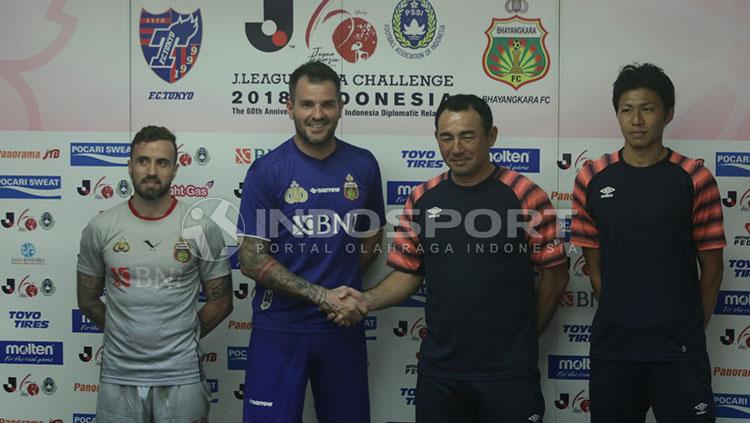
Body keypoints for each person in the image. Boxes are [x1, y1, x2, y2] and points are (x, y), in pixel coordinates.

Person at [335, 94, 569, 423]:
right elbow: (408, 273)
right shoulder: (421, 198)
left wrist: (524, 338)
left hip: (509, 376)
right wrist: (365, 300)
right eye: (447, 137)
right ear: (437, 139)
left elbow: (556, 275)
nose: (456, 148)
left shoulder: (525, 195)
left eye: (467, 136)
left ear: (491, 136)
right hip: (440, 376)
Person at [570, 63, 725, 423]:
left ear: (667, 114)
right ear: (617, 115)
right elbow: (595, 269)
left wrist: (684, 328)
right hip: (614, 348)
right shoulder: (591, 177)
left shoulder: (695, 178)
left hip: (678, 350)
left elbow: (713, 270)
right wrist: (625, 317)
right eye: (627, 109)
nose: (636, 120)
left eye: (648, 108)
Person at [236, 61, 385, 423]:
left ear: (340, 106)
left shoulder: (363, 165)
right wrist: (322, 296)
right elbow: (251, 260)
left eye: (327, 104)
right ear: (290, 107)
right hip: (280, 328)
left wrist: (343, 292)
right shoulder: (267, 171)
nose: (317, 115)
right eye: (307, 104)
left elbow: (371, 237)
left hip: (341, 327)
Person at [77, 125, 233, 422]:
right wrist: (125, 334)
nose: (151, 171)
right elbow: (87, 300)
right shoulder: (101, 227)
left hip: (182, 372)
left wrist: (182, 335)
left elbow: (222, 302)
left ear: (175, 169)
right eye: (143, 161)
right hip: (118, 373)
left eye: (162, 162)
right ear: (130, 166)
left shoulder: (199, 227)